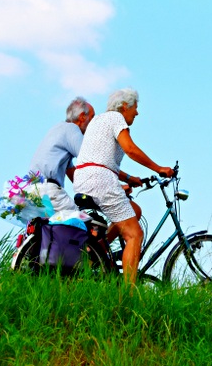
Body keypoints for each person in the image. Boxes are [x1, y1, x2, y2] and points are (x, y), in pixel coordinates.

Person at [73, 88, 174, 284]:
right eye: (135, 108)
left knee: (133, 211)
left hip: (84, 178)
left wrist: (128, 179)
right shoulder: (116, 118)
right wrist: (158, 168)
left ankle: (96, 253)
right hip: (100, 180)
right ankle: (127, 296)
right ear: (125, 106)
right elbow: (130, 149)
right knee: (135, 234)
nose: (137, 113)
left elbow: (99, 159)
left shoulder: (98, 121)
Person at [29, 97, 95, 212]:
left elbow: (72, 173)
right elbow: (90, 161)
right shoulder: (72, 129)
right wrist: (115, 186)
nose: (94, 122)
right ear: (82, 117)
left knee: (52, 228)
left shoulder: (58, 129)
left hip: (33, 191)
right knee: (83, 224)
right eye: (92, 117)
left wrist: (93, 190)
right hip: (48, 191)